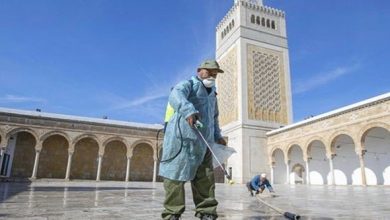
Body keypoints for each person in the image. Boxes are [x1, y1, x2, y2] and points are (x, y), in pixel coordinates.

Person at [159, 59, 227, 220]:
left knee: (205, 178)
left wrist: (218, 136)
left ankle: (207, 211)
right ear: (199, 71)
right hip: (183, 140)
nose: (212, 75)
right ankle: (172, 213)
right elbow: (175, 95)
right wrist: (189, 110)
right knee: (175, 176)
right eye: (209, 72)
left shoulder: (213, 95)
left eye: (215, 73)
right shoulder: (188, 84)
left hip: (204, 142)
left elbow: (214, 118)